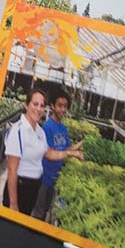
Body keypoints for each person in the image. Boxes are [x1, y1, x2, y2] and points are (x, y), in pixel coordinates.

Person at [2, 89, 83, 214]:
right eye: (35, 104)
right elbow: (12, 169)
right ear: (26, 105)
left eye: (41, 106)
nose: (39, 109)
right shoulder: (18, 131)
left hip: (35, 186)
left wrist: (72, 153)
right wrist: (13, 204)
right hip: (21, 187)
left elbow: (49, 153)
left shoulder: (39, 132)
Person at [31, 90, 82, 221]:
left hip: (56, 179)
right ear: (52, 106)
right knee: (38, 214)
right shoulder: (47, 127)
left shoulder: (63, 128)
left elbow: (67, 149)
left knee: (47, 211)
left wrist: (81, 145)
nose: (63, 109)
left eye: (65, 106)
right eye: (60, 105)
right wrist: (72, 153)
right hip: (44, 179)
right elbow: (49, 154)